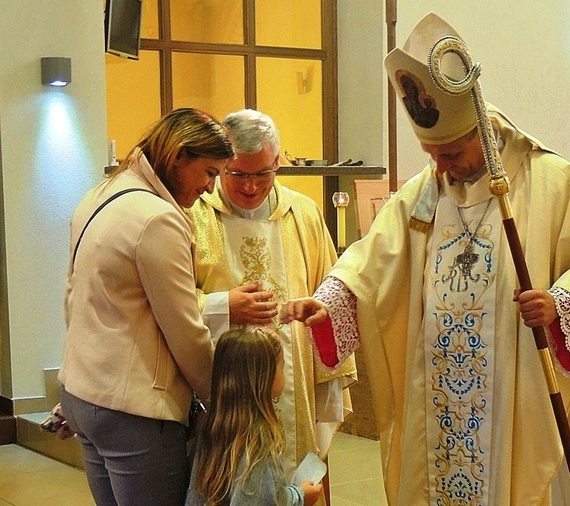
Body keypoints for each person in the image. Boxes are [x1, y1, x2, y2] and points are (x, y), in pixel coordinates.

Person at [281, 12, 570, 505]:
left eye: (451, 152)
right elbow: (370, 262)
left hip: (515, 391)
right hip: (438, 391)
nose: (441, 165)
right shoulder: (425, 193)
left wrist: (558, 304)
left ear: (483, 131)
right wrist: (331, 301)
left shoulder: (550, 180)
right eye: (433, 154)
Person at [58, 108, 234, 506]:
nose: (210, 188)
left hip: (83, 392)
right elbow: (185, 331)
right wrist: (220, 401)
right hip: (134, 410)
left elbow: (73, 294)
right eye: (209, 172)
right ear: (177, 157)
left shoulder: (101, 193)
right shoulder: (158, 219)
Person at [186, 109, 356, 498]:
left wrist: (319, 308)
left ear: (278, 163)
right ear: (220, 167)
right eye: (237, 174)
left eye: (262, 174)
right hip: (223, 390)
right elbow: (168, 304)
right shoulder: (193, 215)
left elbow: (334, 288)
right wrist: (222, 305)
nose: (250, 186)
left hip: (294, 375)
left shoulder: (303, 213)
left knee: (298, 474)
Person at [187, 326, 323, 506]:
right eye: (281, 367)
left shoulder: (212, 427)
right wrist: (301, 496)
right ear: (268, 377)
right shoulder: (257, 442)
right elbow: (260, 500)